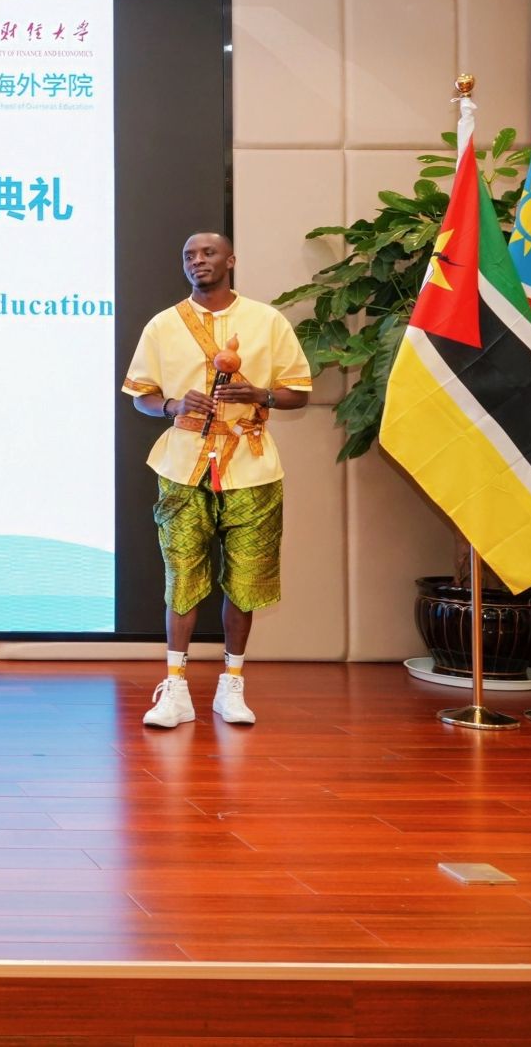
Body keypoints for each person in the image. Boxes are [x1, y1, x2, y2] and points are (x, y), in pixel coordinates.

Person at [121, 231, 311, 728]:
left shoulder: (266, 320)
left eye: (208, 253)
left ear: (231, 260)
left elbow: (299, 392)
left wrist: (261, 395)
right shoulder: (163, 324)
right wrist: (172, 405)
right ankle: (175, 689)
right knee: (181, 575)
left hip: (252, 466)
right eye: (189, 256)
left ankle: (233, 685)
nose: (198, 261)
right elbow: (141, 395)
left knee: (246, 578)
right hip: (182, 466)